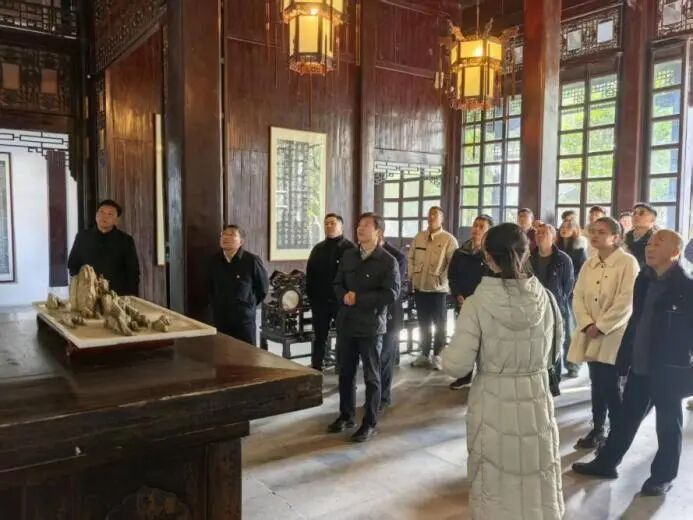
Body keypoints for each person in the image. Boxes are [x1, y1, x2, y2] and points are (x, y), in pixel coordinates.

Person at [442, 223, 564, 520]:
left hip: (494, 400)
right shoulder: (546, 298)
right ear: (526, 252)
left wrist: (443, 355)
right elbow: (555, 352)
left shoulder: (477, 303)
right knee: (537, 475)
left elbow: (457, 364)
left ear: (487, 256)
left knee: (496, 480)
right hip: (536, 397)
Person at [573, 230, 692, 496]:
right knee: (626, 419)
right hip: (640, 365)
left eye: (658, 243)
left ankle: (662, 477)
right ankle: (606, 464)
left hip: (669, 371)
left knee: (668, 425)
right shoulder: (644, 279)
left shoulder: (686, 287)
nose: (650, 247)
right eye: (650, 242)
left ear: (675, 252)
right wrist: (624, 357)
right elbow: (636, 321)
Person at [567, 217, 640, 450]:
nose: (595, 235)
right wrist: (587, 323)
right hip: (590, 332)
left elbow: (626, 301)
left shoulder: (627, 263)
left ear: (615, 237)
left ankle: (616, 435)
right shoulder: (589, 263)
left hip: (614, 334)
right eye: (593, 231)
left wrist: (601, 326)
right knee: (597, 384)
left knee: (611, 386)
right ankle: (598, 429)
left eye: (601, 232)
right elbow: (577, 296)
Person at [329, 213, 400, 442]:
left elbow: (391, 293)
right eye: (359, 225)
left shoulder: (388, 261)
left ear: (378, 231)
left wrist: (358, 298)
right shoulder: (349, 255)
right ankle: (346, 415)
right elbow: (337, 282)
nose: (360, 228)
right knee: (345, 373)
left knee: (371, 376)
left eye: (366, 225)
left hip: (370, 326)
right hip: (347, 323)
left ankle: (369, 422)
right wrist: (344, 296)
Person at [446, 214, 493, 390]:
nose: (477, 229)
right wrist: (458, 295)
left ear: (489, 231)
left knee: (485, 344)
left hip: (485, 305)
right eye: (475, 225)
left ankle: (485, 378)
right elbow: (452, 277)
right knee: (465, 341)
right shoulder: (460, 252)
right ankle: (464, 377)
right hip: (463, 303)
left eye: (481, 226)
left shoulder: (491, 255)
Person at [408, 206, 458, 370]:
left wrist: (441, 280)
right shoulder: (419, 237)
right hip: (420, 288)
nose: (430, 218)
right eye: (429, 215)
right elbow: (411, 257)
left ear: (442, 219)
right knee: (423, 323)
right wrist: (412, 275)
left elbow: (452, 264)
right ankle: (424, 353)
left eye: (435, 215)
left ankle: (438, 355)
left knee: (440, 325)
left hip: (438, 291)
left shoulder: (448, 239)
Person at [305, 213, 357, 370]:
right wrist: (312, 298)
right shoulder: (318, 248)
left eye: (333, 223)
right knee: (319, 336)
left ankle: (342, 368)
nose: (329, 226)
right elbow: (310, 275)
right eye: (326, 223)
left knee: (344, 336)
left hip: (341, 302)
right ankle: (316, 366)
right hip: (320, 302)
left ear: (341, 226)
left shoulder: (350, 249)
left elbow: (355, 277)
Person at [208, 225, 269, 345]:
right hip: (221, 319)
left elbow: (263, 289)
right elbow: (210, 288)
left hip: (244, 321)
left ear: (241, 241)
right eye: (224, 234)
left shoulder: (251, 261)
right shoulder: (214, 261)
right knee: (222, 352)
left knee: (247, 353)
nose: (226, 237)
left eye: (232, 234)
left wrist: (248, 305)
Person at [67, 199, 140, 296]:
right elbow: (73, 265)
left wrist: (131, 297)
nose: (104, 216)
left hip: (116, 295)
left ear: (116, 220)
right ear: (96, 216)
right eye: (101, 212)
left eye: (110, 214)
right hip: (88, 294)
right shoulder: (83, 237)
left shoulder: (125, 241)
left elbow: (133, 272)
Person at [531, 223, 575, 379]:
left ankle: (554, 380)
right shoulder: (529, 258)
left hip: (555, 307)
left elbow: (568, 285)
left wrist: (558, 299)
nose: (539, 235)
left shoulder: (563, 259)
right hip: (533, 308)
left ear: (553, 237)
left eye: (544, 232)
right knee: (536, 345)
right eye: (537, 233)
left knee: (554, 345)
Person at [380, 235, 407, 411]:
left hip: (390, 313)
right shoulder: (359, 254)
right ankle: (373, 395)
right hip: (369, 314)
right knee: (372, 359)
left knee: (385, 356)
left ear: (379, 233)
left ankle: (383, 397)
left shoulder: (397, 257)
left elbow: (392, 287)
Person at [625, 203, 657, 268]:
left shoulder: (657, 239)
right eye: (634, 213)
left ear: (653, 219)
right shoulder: (625, 237)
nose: (636, 216)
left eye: (641, 213)